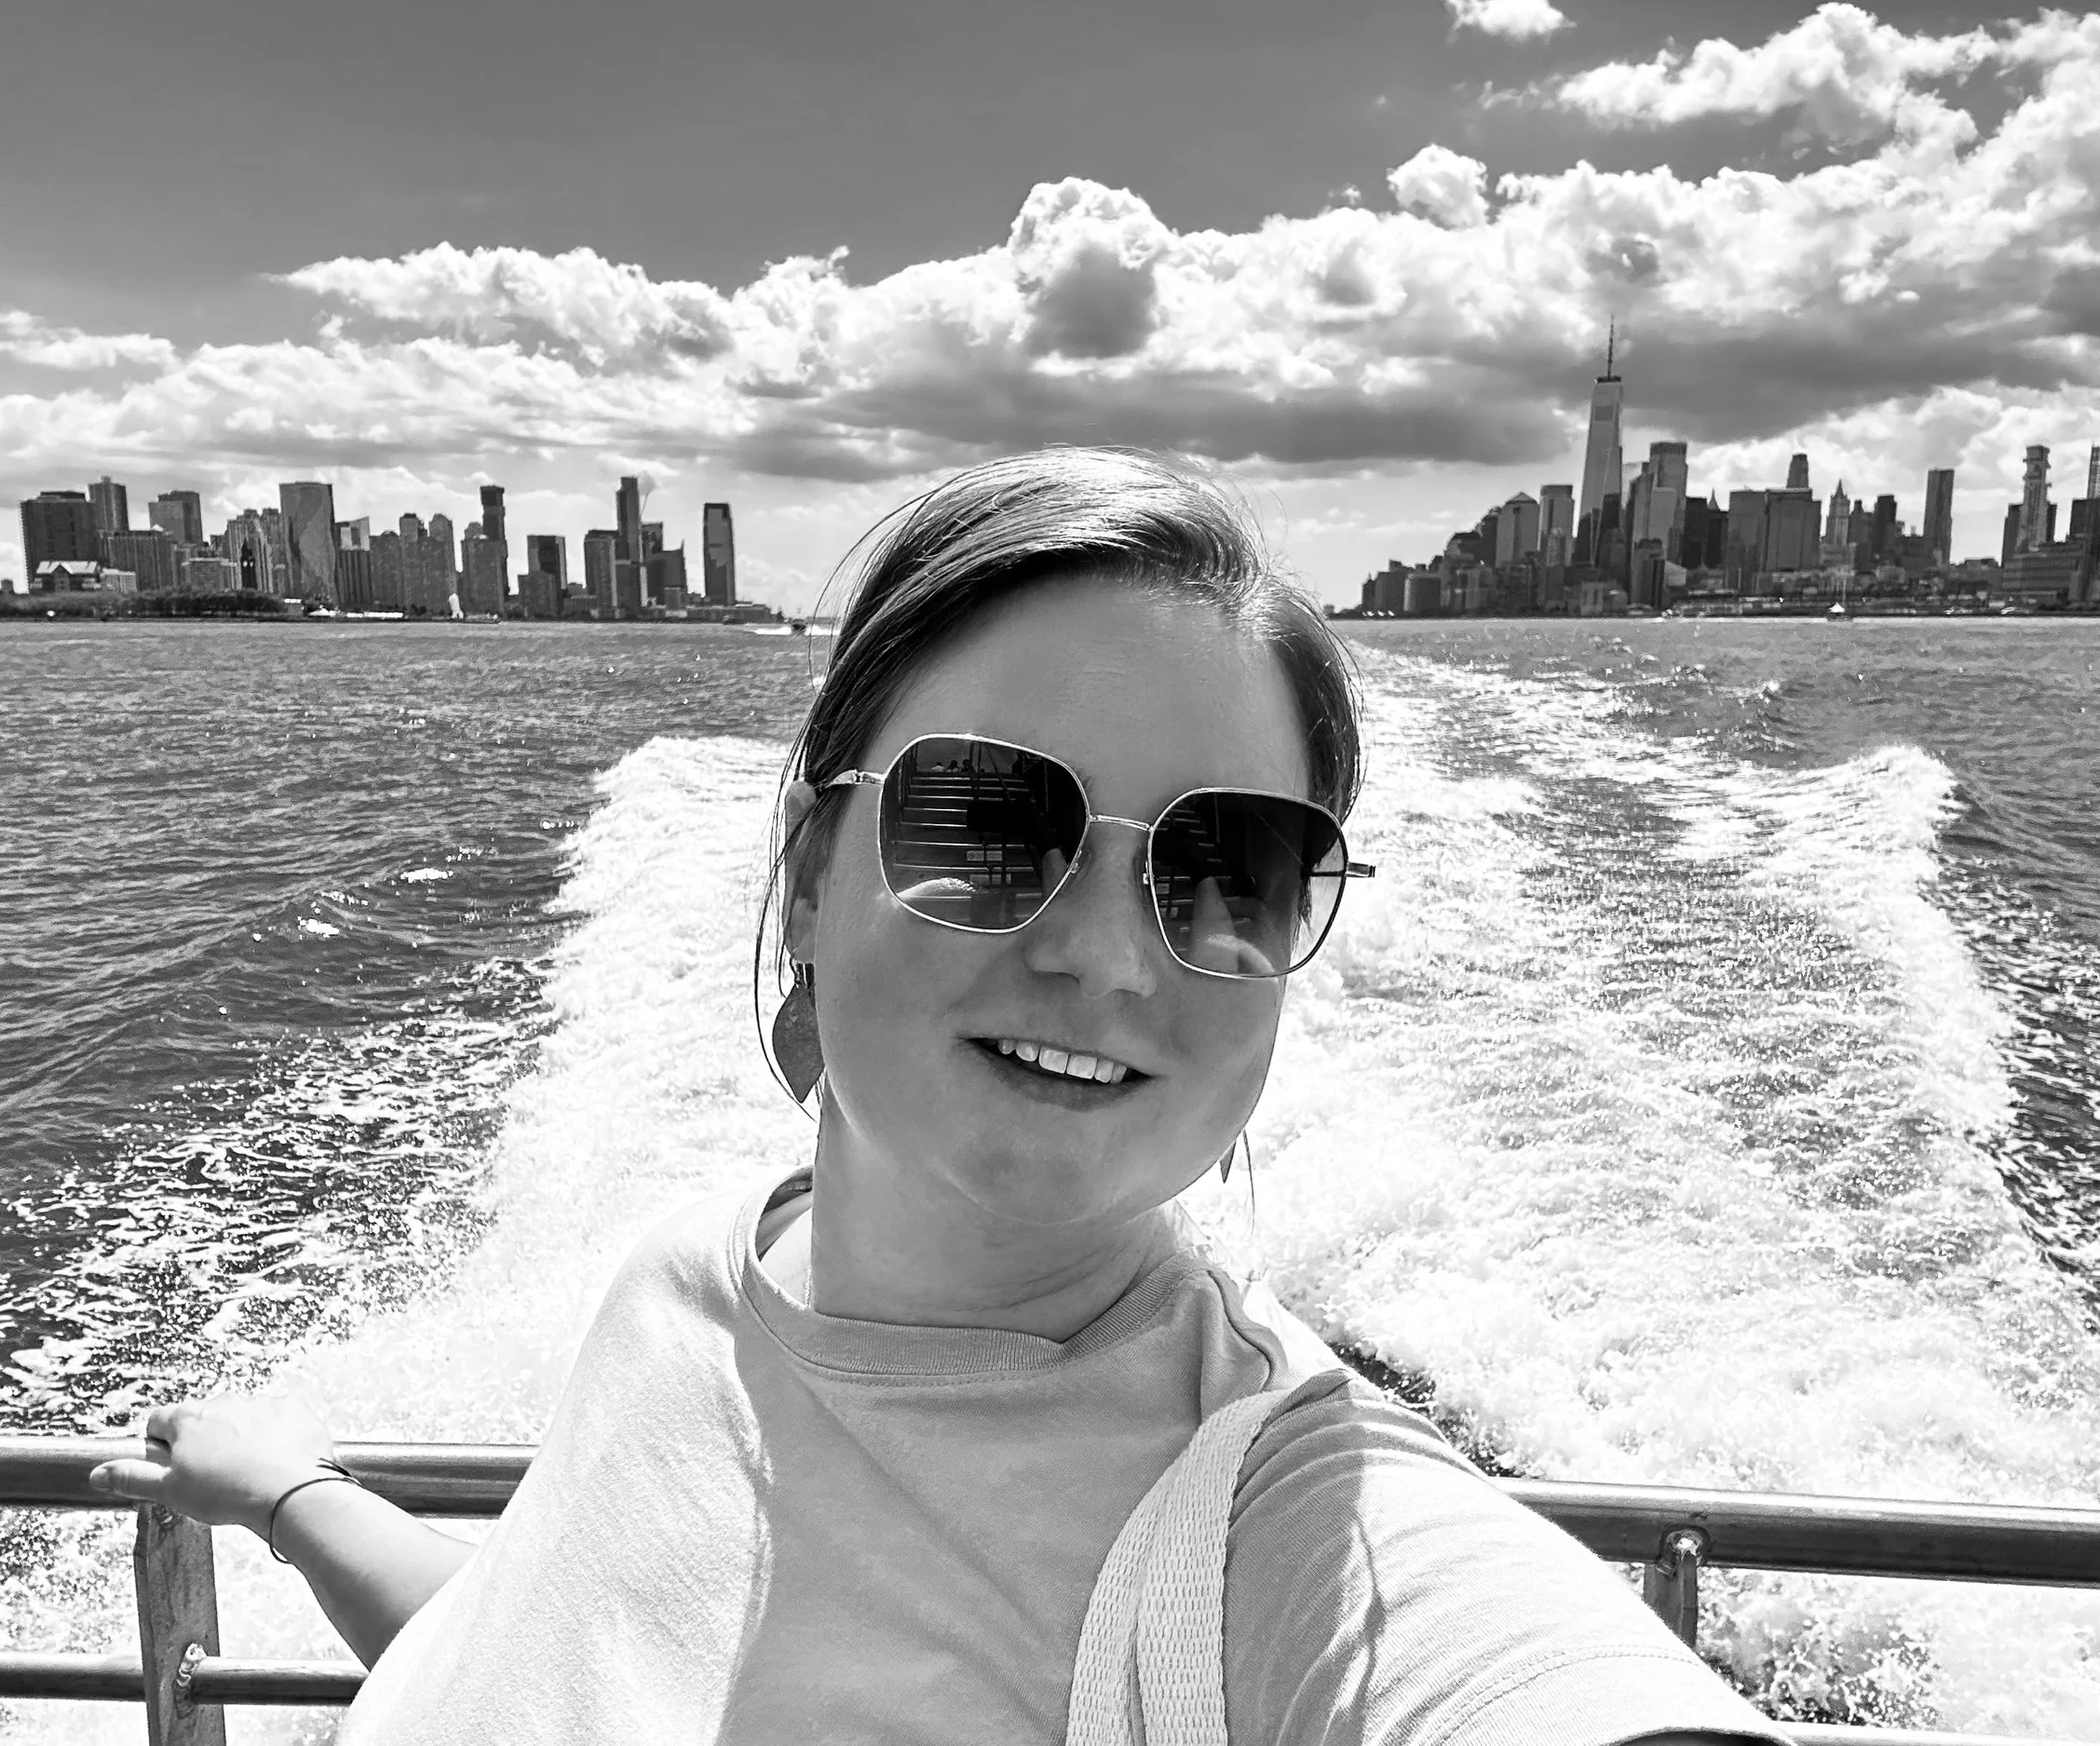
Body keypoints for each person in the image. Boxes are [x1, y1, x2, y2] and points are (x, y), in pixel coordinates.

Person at [88, 448, 1790, 1745]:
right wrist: (285, 1490)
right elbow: (544, 1654)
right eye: (991, 821)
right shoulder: (683, 1280)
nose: (1115, 959)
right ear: (816, 862)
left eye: (1229, 866)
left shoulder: (1269, 1541)